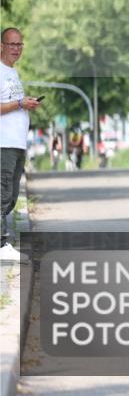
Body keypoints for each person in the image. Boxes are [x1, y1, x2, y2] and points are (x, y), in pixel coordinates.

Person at [1, 28, 41, 262]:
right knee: (3, 194)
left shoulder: (12, 73)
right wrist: (18, 104)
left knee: (11, 195)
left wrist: (24, 105)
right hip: (3, 144)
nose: (16, 48)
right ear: (1, 46)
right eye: (12, 44)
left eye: (19, 44)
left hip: (16, 145)